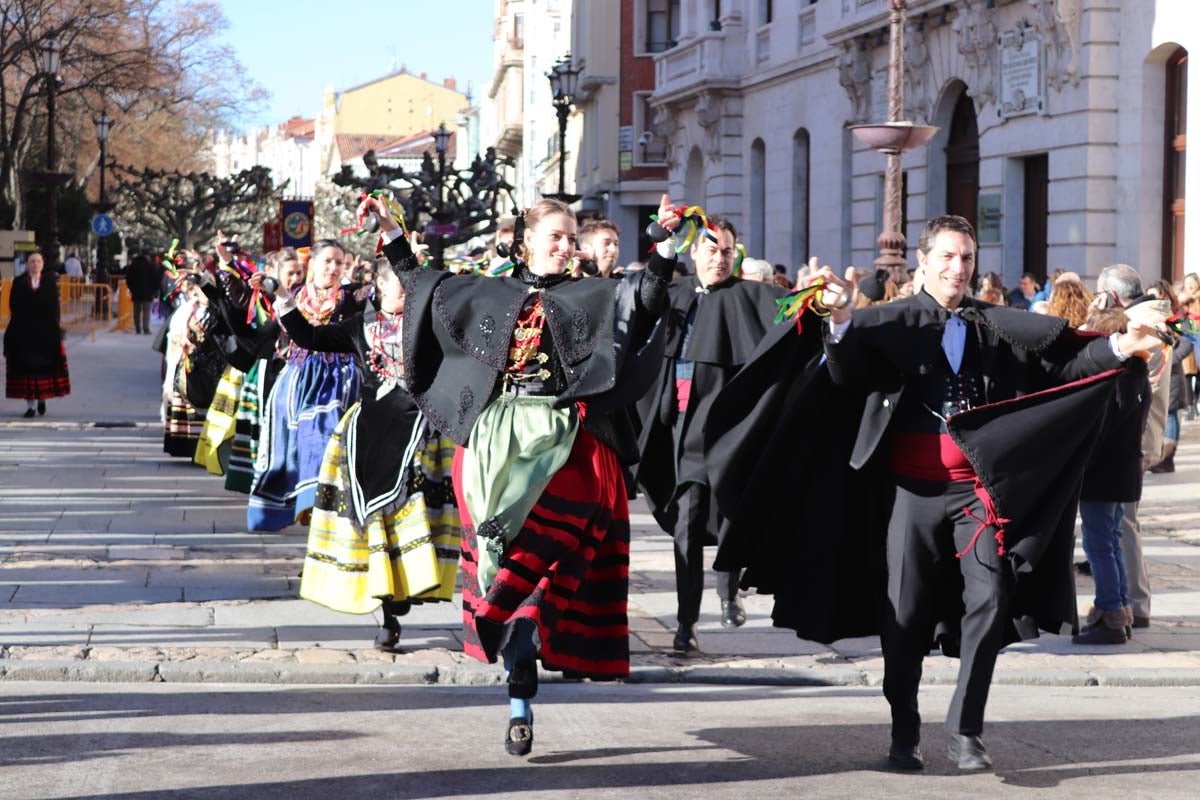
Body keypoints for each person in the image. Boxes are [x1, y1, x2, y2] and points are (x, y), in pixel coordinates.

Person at [704, 215, 1164, 772]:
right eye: (946, 256)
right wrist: (844, 317)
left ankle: (966, 730)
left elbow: (1065, 358)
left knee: (991, 598)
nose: (957, 267)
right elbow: (847, 373)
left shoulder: (996, 323)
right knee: (905, 614)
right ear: (923, 261)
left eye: (966, 257)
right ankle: (904, 730)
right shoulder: (887, 321)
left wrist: (1120, 345)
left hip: (976, 496)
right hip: (908, 494)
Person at [368, 192, 673, 757]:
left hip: (565, 439)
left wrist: (664, 247)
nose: (566, 245)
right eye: (555, 235)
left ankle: (523, 660)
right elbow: (421, 287)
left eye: (571, 236)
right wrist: (391, 234)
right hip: (493, 442)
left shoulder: (594, 293)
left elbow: (648, 300)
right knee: (502, 565)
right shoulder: (489, 290)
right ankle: (519, 697)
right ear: (526, 240)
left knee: (549, 559)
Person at [265, 256, 460, 654]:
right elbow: (312, 338)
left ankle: (410, 588)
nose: (404, 294)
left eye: (411, 288)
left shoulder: (430, 328)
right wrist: (283, 300)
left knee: (413, 514)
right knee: (371, 520)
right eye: (397, 286)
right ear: (380, 289)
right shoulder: (362, 327)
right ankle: (388, 610)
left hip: (419, 430)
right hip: (367, 430)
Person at [634, 211, 789, 653]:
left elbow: (795, 322)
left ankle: (729, 590)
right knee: (688, 523)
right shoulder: (675, 293)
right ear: (694, 250)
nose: (719, 259)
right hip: (682, 429)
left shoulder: (754, 296)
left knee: (731, 516)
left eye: (727, 251)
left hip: (731, 431)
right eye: (710, 249)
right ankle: (686, 624)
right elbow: (639, 310)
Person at [247, 240, 364, 531]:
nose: (334, 268)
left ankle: (324, 511)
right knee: (290, 450)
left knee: (327, 443)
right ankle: (297, 509)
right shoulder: (295, 296)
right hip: (298, 379)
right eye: (327, 261)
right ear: (311, 264)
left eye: (339, 263)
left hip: (338, 382)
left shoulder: (354, 296)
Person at [1072, 307, 1151, 645]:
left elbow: (1100, 430)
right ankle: (1119, 609)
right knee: (1111, 540)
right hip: (1124, 471)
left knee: (1098, 544)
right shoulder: (1137, 372)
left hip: (1103, 473)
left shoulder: (1113, 376)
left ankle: (1111, 614)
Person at [1099, 264, 1171, 629]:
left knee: (1122, 525)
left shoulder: (1139, 325)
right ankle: (1129, 601)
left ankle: (1133, 603)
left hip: (1134, 438)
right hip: (1142, 434)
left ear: (1112, 294)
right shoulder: (1151, 317)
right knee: (1122, 523)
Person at [224, 249, 305, 494]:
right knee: (267, 426)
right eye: (290, 273)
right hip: (269, 370)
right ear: (275, 273)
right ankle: (266, 476)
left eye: (299, 272)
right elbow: (242, 317)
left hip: (299, 371)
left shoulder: (309, 296)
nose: (296, 278)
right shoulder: (262, 299)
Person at [4, 252, 70, 417]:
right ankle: (30, 406)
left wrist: (56, 330)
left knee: (43, 369)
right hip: (24, 332)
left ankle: (42, 399)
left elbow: (55, 309)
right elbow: (13, 306)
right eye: (32, 261)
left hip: (45, 333)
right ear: (27, 264)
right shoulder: (19, 282)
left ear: (42, 264)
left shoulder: (49, 283)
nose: (35, 264)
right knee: (25, 369)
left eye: (38, 261)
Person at [125, 254, 161, 335]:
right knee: (146, 311)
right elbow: (155, 279)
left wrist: (131, 289)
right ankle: (146, 328)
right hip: (148, 292)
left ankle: (137, 328)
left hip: (136, 292)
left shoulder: (133, 265)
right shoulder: (151, 266)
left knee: (136, 311)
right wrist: (155, 290)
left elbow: (128, 278)